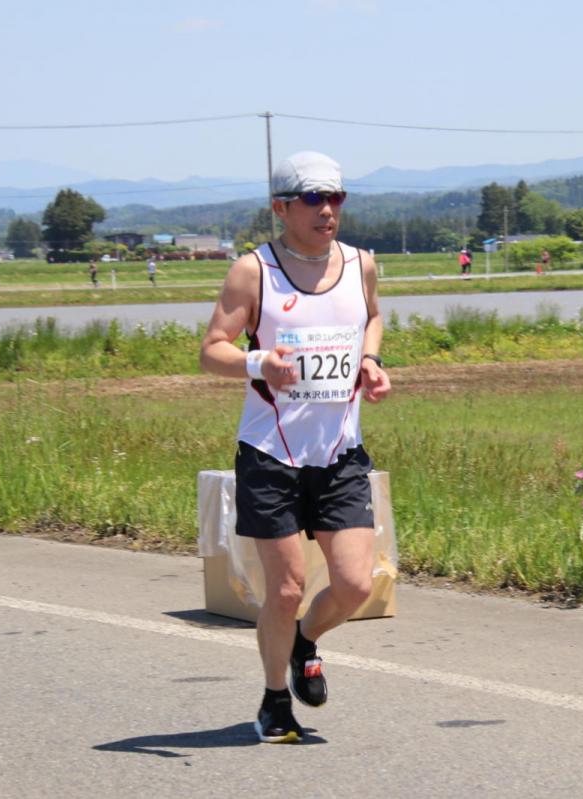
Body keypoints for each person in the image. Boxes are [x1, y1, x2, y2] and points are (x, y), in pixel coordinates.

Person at [199, 150, 391, 745]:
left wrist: (370, 360)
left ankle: (305, 641)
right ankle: (274, 700)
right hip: (270, 455)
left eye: (336, 197)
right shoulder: (253, 271)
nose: (328, 210)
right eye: (313, 199)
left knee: (357, 585)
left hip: (338, 455)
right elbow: (212, 350)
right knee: (284, 589)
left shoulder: (361, 264)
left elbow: (373, 319)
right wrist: (258, 361)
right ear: (281, 207)